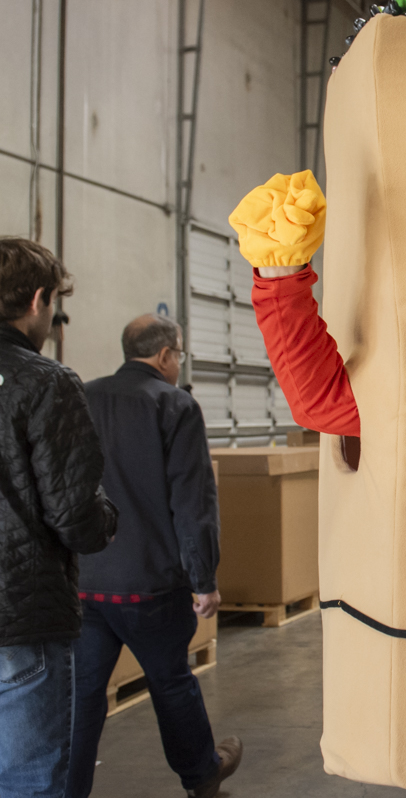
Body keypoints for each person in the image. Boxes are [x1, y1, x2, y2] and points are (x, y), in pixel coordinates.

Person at [67, 315, 241, 798]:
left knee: (82, 697)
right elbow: (193, 502)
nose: (178, 363)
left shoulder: (80, 396)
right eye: (179, 354)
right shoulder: (175, 404)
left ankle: (66, 790)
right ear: (165, 355)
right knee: (171, 682)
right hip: (150, 586)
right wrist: (204, 580)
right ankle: (202, 776)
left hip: (85, 582)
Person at [0, 237, 119, 796]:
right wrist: (106, 517)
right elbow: (75, 518)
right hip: (20, 619)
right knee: (29, 783)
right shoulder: (46, 380)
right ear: (38, 300)